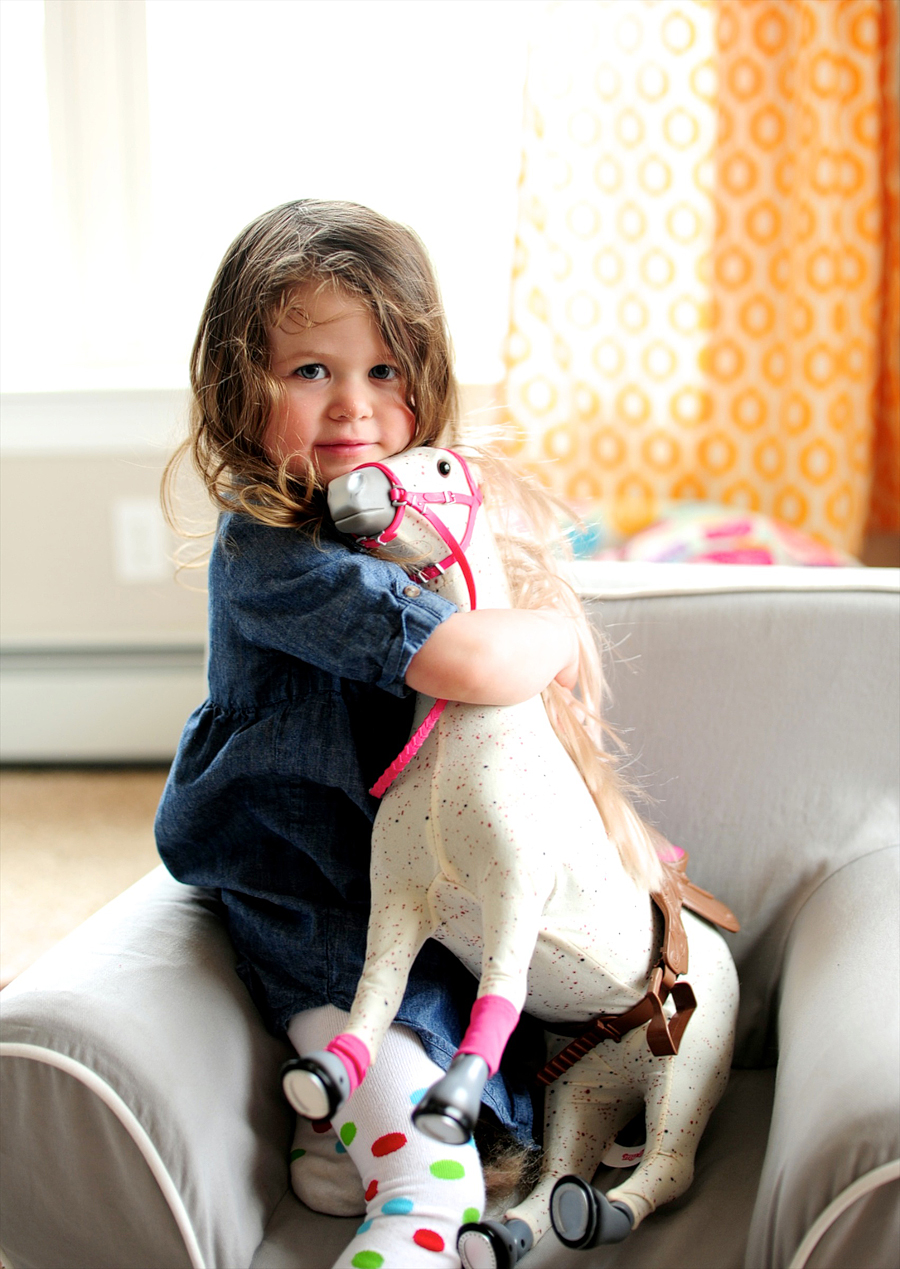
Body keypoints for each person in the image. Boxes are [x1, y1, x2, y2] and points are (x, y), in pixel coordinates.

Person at [156, 199, 659, 1269]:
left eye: (386, 372)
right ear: (238, 389)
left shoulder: (402, 522)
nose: (355, 407)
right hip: (320, 890)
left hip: (419, 890)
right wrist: (552, 630)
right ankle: (405, 1221)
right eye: (310, 372)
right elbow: (475, 663)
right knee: (429, 1153)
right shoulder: (274, 555)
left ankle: (337, 1150)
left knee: (483, 1042)